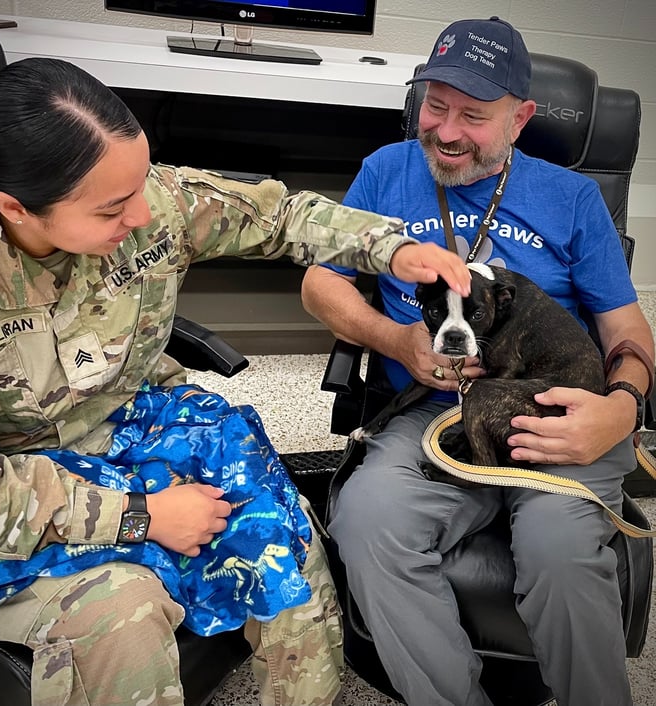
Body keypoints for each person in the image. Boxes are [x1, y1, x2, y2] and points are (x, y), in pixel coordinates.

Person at [0, 57, 471, 706]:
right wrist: (139, 517)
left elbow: (279, 217)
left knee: (287, 543)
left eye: (142, 183)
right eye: (114, 208)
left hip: (135, 421)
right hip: (8, 480)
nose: (145, 214)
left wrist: (390, 247)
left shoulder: (147, 200)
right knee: (120, 614)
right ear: (14, 209)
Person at [301, 17, 654, 706]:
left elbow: (627, 328)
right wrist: (395, 339)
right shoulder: (386, 171)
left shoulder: (572, 197)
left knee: (560, 553)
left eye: (475, 115)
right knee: (368, 521)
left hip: (554, 412)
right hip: (434, 413)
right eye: (436, 105)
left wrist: (621, 410)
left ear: (520, 119)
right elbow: (321, 283)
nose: (448, 130)